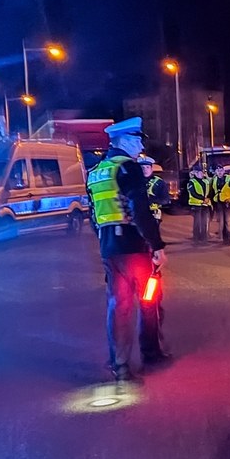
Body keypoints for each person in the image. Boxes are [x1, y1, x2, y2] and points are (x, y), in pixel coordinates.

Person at [86, 117, 170, 382]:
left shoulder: (96, 172)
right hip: (135, 246)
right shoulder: (128, 168)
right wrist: (157, 246)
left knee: (118, 305)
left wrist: (105, 238)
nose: (139, 147)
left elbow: (93, 215)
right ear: (122, 141)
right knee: (148, 298)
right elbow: (140, 210)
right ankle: (151, 353)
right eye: (136, 141)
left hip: (109, 248)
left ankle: (120, 365)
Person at [209, 164, 230, 245]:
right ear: (215, 172)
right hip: (219, 203)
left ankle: (229, 239)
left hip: (228, 203)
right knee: (222, 222)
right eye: (218, 171)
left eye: (221, 170)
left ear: (224, 171)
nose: (219, 172)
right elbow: (212, 192)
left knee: (228, 221)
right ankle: (224, 239)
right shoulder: (214, 179)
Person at [137, 154, 168, 222]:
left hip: (153, 215)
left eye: (147, 167)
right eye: (142, 168)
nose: (145, 170)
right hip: (137, 215)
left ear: (151, 169)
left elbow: (165, 200)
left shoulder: (159, 182)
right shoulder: (134, 182)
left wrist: (151, 199)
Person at [187, 163, 211, 244]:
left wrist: (207, 199)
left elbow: (209, 191)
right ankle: (196, 239)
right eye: (200, 172)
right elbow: (193, 193)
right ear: (196, 173)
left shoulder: (205, 181)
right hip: (196, 205)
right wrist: (203, 199)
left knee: (204, 223)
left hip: (205, 205)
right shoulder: (191, 182)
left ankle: (204, 238)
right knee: (197, 223)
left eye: (202, 172)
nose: (202, 174)